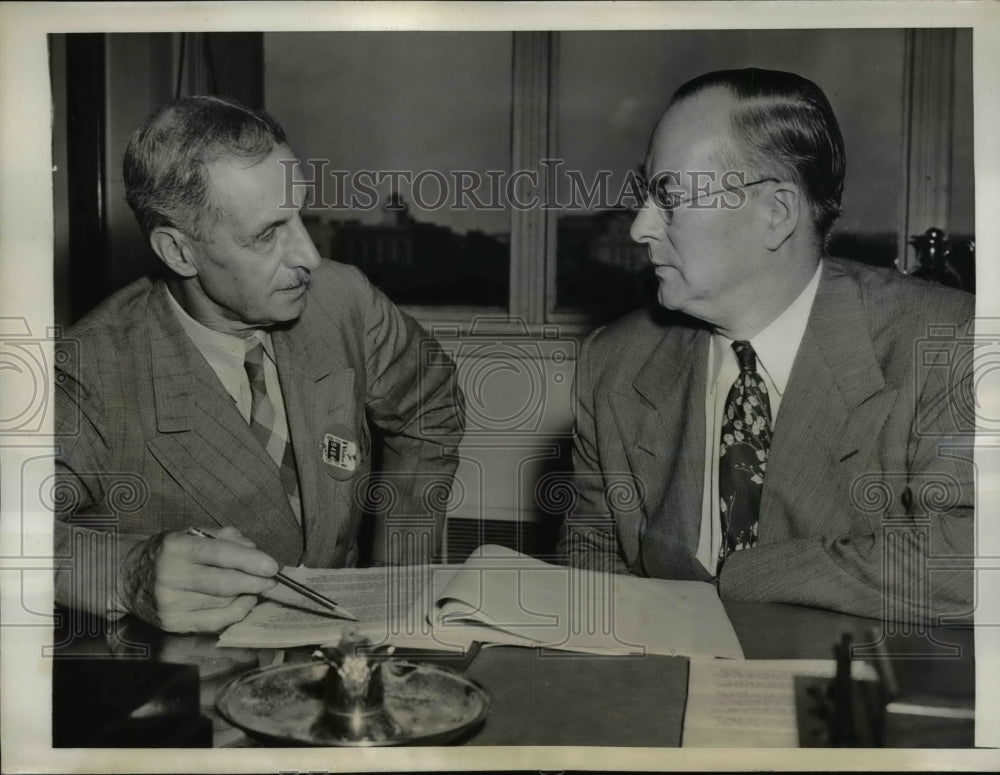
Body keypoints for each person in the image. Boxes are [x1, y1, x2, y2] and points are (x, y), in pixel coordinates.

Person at [560, 69, 974, 622]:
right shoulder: (612, 363)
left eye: (669, 196)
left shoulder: (947, 345)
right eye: (645, 195)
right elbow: (590, 567)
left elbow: (966, 565)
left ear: (775, 212)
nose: (639, 227)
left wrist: (736, 579)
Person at [54, 96, 464, 633]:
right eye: (267, 234)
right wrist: (127, 574)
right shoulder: (90, 372)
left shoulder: (344, 301)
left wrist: (396, 580)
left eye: (300, 215)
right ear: (179, 253)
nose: (309, 257)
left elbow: (431, 404)